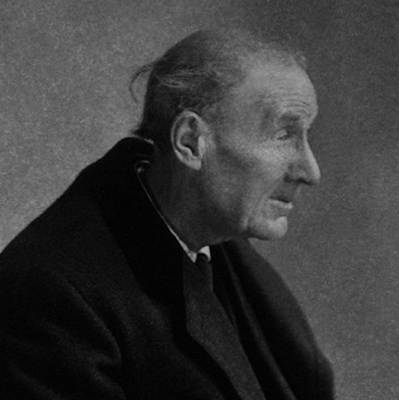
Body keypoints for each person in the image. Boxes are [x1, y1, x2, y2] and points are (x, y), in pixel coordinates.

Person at [0, 29, 334, 399]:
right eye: (284, 135)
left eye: (306, 136)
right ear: (190, 142)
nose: (310, 172)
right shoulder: (49, 294)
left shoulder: (227, 252)